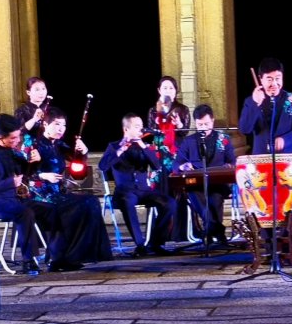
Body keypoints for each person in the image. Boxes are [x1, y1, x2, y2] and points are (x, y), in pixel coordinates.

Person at [0, 114, 63, 273]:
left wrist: (35, 162)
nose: (17, 141)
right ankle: (28, 260)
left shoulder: (10, 150)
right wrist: (10, 183)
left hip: (15, 199)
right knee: (24, 213)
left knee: (51, 210)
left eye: (18, 136)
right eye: (13, 138)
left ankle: (56, 255)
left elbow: (25, 173)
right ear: (0, 137)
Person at [26, 106, 112, 271]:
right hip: (39, 195)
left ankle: (79, 255)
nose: (61, 129)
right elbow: (23, 173)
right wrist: (43, 176)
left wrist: (82, 152)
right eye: (57, 124)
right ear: (45, 124)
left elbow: (77, 169)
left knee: (91, 201)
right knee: (76, 206)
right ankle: (60, 258)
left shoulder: (58, 145)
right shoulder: (34, 143)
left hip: (57, 193)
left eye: (64, 125)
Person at [99, 113, 177, 257]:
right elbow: (103, 166)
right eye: (136, 127)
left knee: (170, 203)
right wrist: (120, 150)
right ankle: (140, 245)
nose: (141, 129)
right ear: (126, 129)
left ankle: (156, 243)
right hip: (125, 191)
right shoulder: (114, 146)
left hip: (144, 190)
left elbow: (157, 166)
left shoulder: (143, 146)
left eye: (141, 126)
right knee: (128, 202)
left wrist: (144, 147)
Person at [173, 104, 235, 244]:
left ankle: (210, 231)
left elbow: (232, 161)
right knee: (194, 193)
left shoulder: (223, 139)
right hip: (197, 184)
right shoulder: (189, 141)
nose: (203, 128)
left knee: (215, 198)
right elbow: (176, 164)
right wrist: (183, 166)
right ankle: (218, 231)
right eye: (200, 125)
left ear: (212, 121)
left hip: (218, 183)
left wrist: (228, 166)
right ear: (195, 123)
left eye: (207, 124)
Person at [147, 75, 191, 241]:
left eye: (171, 88)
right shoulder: (153, 110)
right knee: (160, 191)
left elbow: (185, 132)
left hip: (176, 154)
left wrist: (178, 124)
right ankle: (161, 234)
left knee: (178, 191)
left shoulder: (182, 109)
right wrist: (160, 113)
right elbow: (151, 131)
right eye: (164, 88)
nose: (168, 91)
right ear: (159, 91)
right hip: (159, 155)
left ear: (175, 91)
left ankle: (179, 233)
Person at [239, 57, 292, 154]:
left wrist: (285, 140)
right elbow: (245, 129)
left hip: (287, 156)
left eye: (277, 78)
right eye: (269, 79)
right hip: (261, 157)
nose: (274, 83)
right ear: (260, 79)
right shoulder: (250, 101)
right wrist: (255, 103)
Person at [14, 76, 53, 159]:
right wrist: (34, 119)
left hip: (47, 148)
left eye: (43, 89)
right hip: (29, 149)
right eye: (37, 89)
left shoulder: (50, 110)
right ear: (28, 92)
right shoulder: (21, 110)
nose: (41, 92)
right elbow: (19, 131)